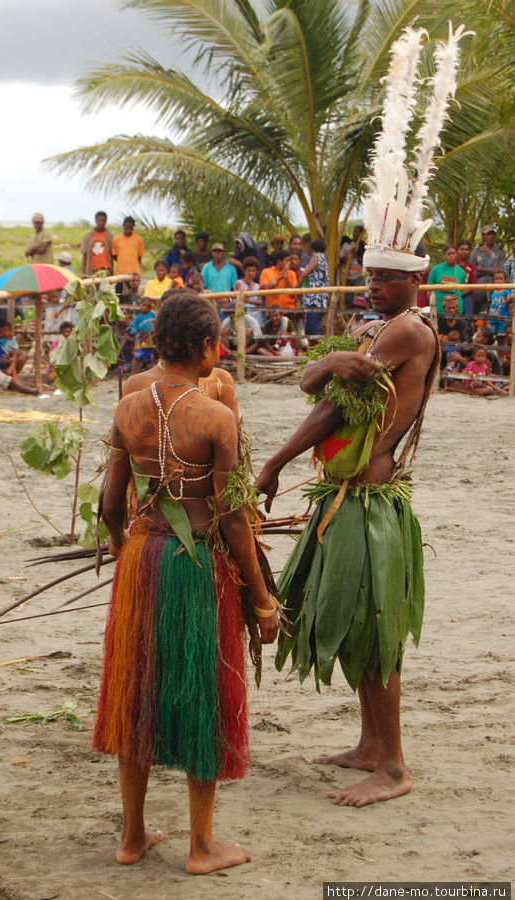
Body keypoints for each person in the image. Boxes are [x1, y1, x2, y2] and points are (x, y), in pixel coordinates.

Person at [256, 24, 466, 808]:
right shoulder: (388, 330)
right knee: (350, 621)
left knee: (372, 631)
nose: (369, 289)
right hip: (357, 488)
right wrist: (329, 366)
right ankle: (371, 744)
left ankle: (395, 766)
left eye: (380, 280)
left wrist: (276, 459)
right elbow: (331, 384)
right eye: (367, 279)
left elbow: (324, 393)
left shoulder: (407, 329)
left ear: (408, 280)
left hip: (369, 495)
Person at [95, 291, 278, 873]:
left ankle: (132, 837)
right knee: (205, 693)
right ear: (205, 347)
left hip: (142, 560)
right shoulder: (217, 418)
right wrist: (262, 597)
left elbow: (108, 505)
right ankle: (201, 847)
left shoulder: (128, 406)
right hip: (199, 565)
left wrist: (125, 556)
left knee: (135, 694)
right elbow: (230, 516)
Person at [470, 225, 506, 313]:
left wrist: (482, 268)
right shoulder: (476, 252)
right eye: (487, 234)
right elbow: (473, 272)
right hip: (478, 291)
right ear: (483, 236)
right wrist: (491, 270)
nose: (490, 237)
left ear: (495, 236)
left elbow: (500, 270)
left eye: (492, 234)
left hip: (495, 291)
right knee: (477, 318)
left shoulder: (500, 251)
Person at [299, 239, 329, 335]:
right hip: (321, 298)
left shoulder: (316, 257)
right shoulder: (324, 259)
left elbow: (305, 274)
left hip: (314, 299)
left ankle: (317, 349)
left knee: (311, 329)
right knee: (313, 327)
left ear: (312, 249)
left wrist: (297, 285)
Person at [427, 245, 467, 313]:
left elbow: (462, 290)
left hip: (456, 309)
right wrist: (432, 305)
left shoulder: (461, 271)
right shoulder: (436, 269)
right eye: (449, 254)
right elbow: (428, 289)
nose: (451, 256)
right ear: (444, 255)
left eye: (453, 253)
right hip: (439, 307)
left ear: (457, 254)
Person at [127, 296, 156, 375]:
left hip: (149, 341)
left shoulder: (153, 315)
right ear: (140, 305)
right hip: (140, 341)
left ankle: (136, 373)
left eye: (148, 306)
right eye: (144, 305)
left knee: (144, 358)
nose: (146, 307)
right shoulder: (138, 318)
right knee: (137, 357)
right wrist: (133, 335)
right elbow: (134, 330)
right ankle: (132, 374)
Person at [111, 216, 144, 282]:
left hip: (134, 273)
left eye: (130, 228)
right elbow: (114, 255)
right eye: (127, 227)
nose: (128, 229)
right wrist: (123, 262)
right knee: (119, 292)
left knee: (133, 292)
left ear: (133, 227)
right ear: (123, 225)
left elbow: (139, 257)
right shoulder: (116, 239)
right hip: (120, 273)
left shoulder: (139, 239)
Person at [81, 211, 114, 276]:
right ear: (96, 221)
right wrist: (83, 272)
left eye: (103, 220)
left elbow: (113, 254)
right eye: (99, 220)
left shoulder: (110, 236)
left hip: (106, 270)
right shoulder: (88, 235)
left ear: (106, 221)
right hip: (92, 270)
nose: (101, 222)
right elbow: (84, 255)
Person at [234, 257, 263, 325]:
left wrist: (247, 300)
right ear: (245, 271)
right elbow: (243, 298)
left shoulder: (258, 286)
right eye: (249, 271)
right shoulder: (238, 283)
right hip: (242, 314)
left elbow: (260, 301)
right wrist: (250, 286)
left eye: (254, 271)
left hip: (255, 315)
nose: (251, 273)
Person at [456, 239, 478, 315]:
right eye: (462, 249)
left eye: (466, 249)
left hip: (467, 297)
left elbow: (474, 285)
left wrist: (460, 294)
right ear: (457, 250)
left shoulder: (472, 267)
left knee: (467, 322)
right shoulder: (452, 265)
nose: (464, 251)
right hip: (452, 296)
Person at [488, 271, 513, 336]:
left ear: (505, 280)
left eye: (501, 279)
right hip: (493, 317)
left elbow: (510, 303)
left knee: (501, 336)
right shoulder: (493, 291)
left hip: (503, 318)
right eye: (496, 279)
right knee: (492, 335)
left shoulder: (506, 291)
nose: (498, 281)